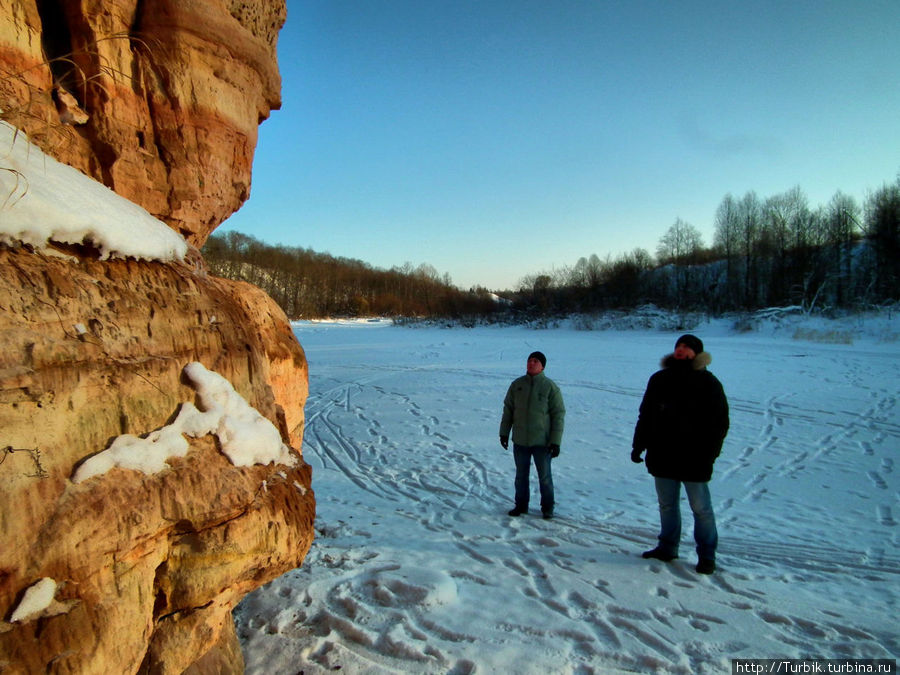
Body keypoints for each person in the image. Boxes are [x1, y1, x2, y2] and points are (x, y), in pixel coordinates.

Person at [631, 334, 729, 574]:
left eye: (686, 347)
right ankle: (667, 547)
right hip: (663, 453)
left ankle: (706, 555)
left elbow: (720, 423)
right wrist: (638, 445)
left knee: (701, 509)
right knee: (667, 505)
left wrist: (710, 454)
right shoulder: (659, 379)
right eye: (678, 346)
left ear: (696, 353)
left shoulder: (708, 383)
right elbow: (646, 415)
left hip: (695, 456)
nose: (681, 350)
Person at [499, 351, 566, 519]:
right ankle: (521, 505)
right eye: (529, 360)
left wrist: (555, 441)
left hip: (542, 442)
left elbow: (558, 415)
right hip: (521, 439)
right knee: (521, 476)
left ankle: (547, 508)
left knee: (545, 477)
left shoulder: (550, 387)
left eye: (535, 361)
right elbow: (508, 410)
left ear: (542, 366)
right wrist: (504, 433)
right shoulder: (517, 385)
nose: (531, 363)